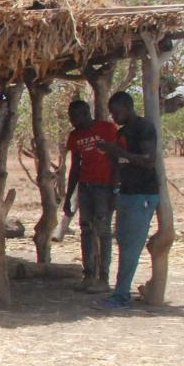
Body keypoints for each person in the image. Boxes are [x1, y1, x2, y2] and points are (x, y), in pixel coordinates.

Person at [98, 91, 159, 310]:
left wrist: (118, 151)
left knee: (131, 247)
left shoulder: (144, 128)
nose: (113, 117)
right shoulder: (122, 132)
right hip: (126, 193)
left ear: (127, 107)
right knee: (124, 243)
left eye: (116, 112)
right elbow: (120, 163)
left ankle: (121, 295)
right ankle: (120, 292)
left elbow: (149, 160)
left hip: (142, 194)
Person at [63, 98, 118, 293]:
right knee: (86, 229)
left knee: (103, 231)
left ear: (86, 113)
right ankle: (88, 275)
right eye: (70, 117)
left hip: (104, 186)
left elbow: (116, 158)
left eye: (75, 116)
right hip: (85, 187)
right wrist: (69, 196)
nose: (72, 121)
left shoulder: (106, 129)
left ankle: (103, 278)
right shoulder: (75, 136)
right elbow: (75, 167)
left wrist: (116, 189)